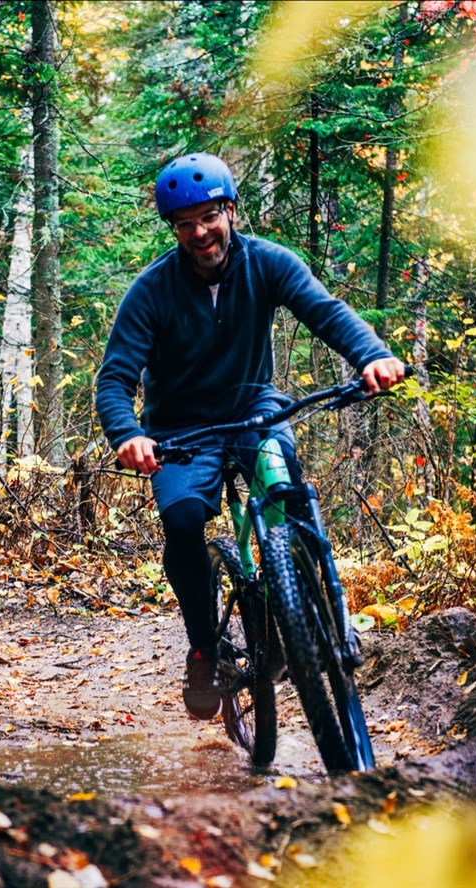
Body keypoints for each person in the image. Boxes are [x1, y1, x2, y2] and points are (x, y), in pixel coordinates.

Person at [95, 153, 406, 720]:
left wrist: (373, 355)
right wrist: (129, 434)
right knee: (184, 520)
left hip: (252, 405)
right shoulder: (152, 290)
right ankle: (204, 649)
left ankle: (321, 611)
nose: (198, 233)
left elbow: (326, 312)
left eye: (208, 217)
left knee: (283, 476)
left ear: (230, 210)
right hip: (181, 428)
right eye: (183, 224)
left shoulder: (267, 263)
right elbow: (114, 378)